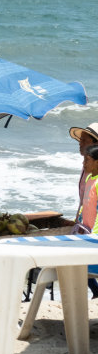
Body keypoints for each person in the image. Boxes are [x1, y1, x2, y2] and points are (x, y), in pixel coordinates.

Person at [71, 124, 98, 299]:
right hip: (86, 225)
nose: (80, 144)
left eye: (85, 140)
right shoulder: (88, 172)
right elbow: (84, 200)